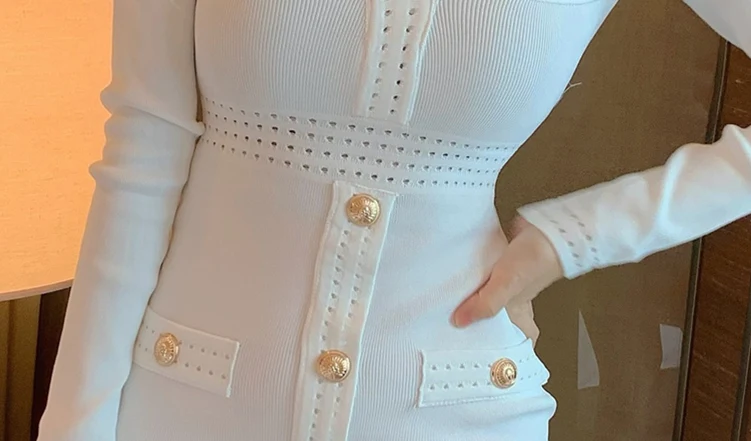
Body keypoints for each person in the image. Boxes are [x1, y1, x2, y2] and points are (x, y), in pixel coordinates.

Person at [37, 1, 750, 440]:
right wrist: (73, 425)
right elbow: (144, 145)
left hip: (457, 405)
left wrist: (577, 236)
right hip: (184, 398)